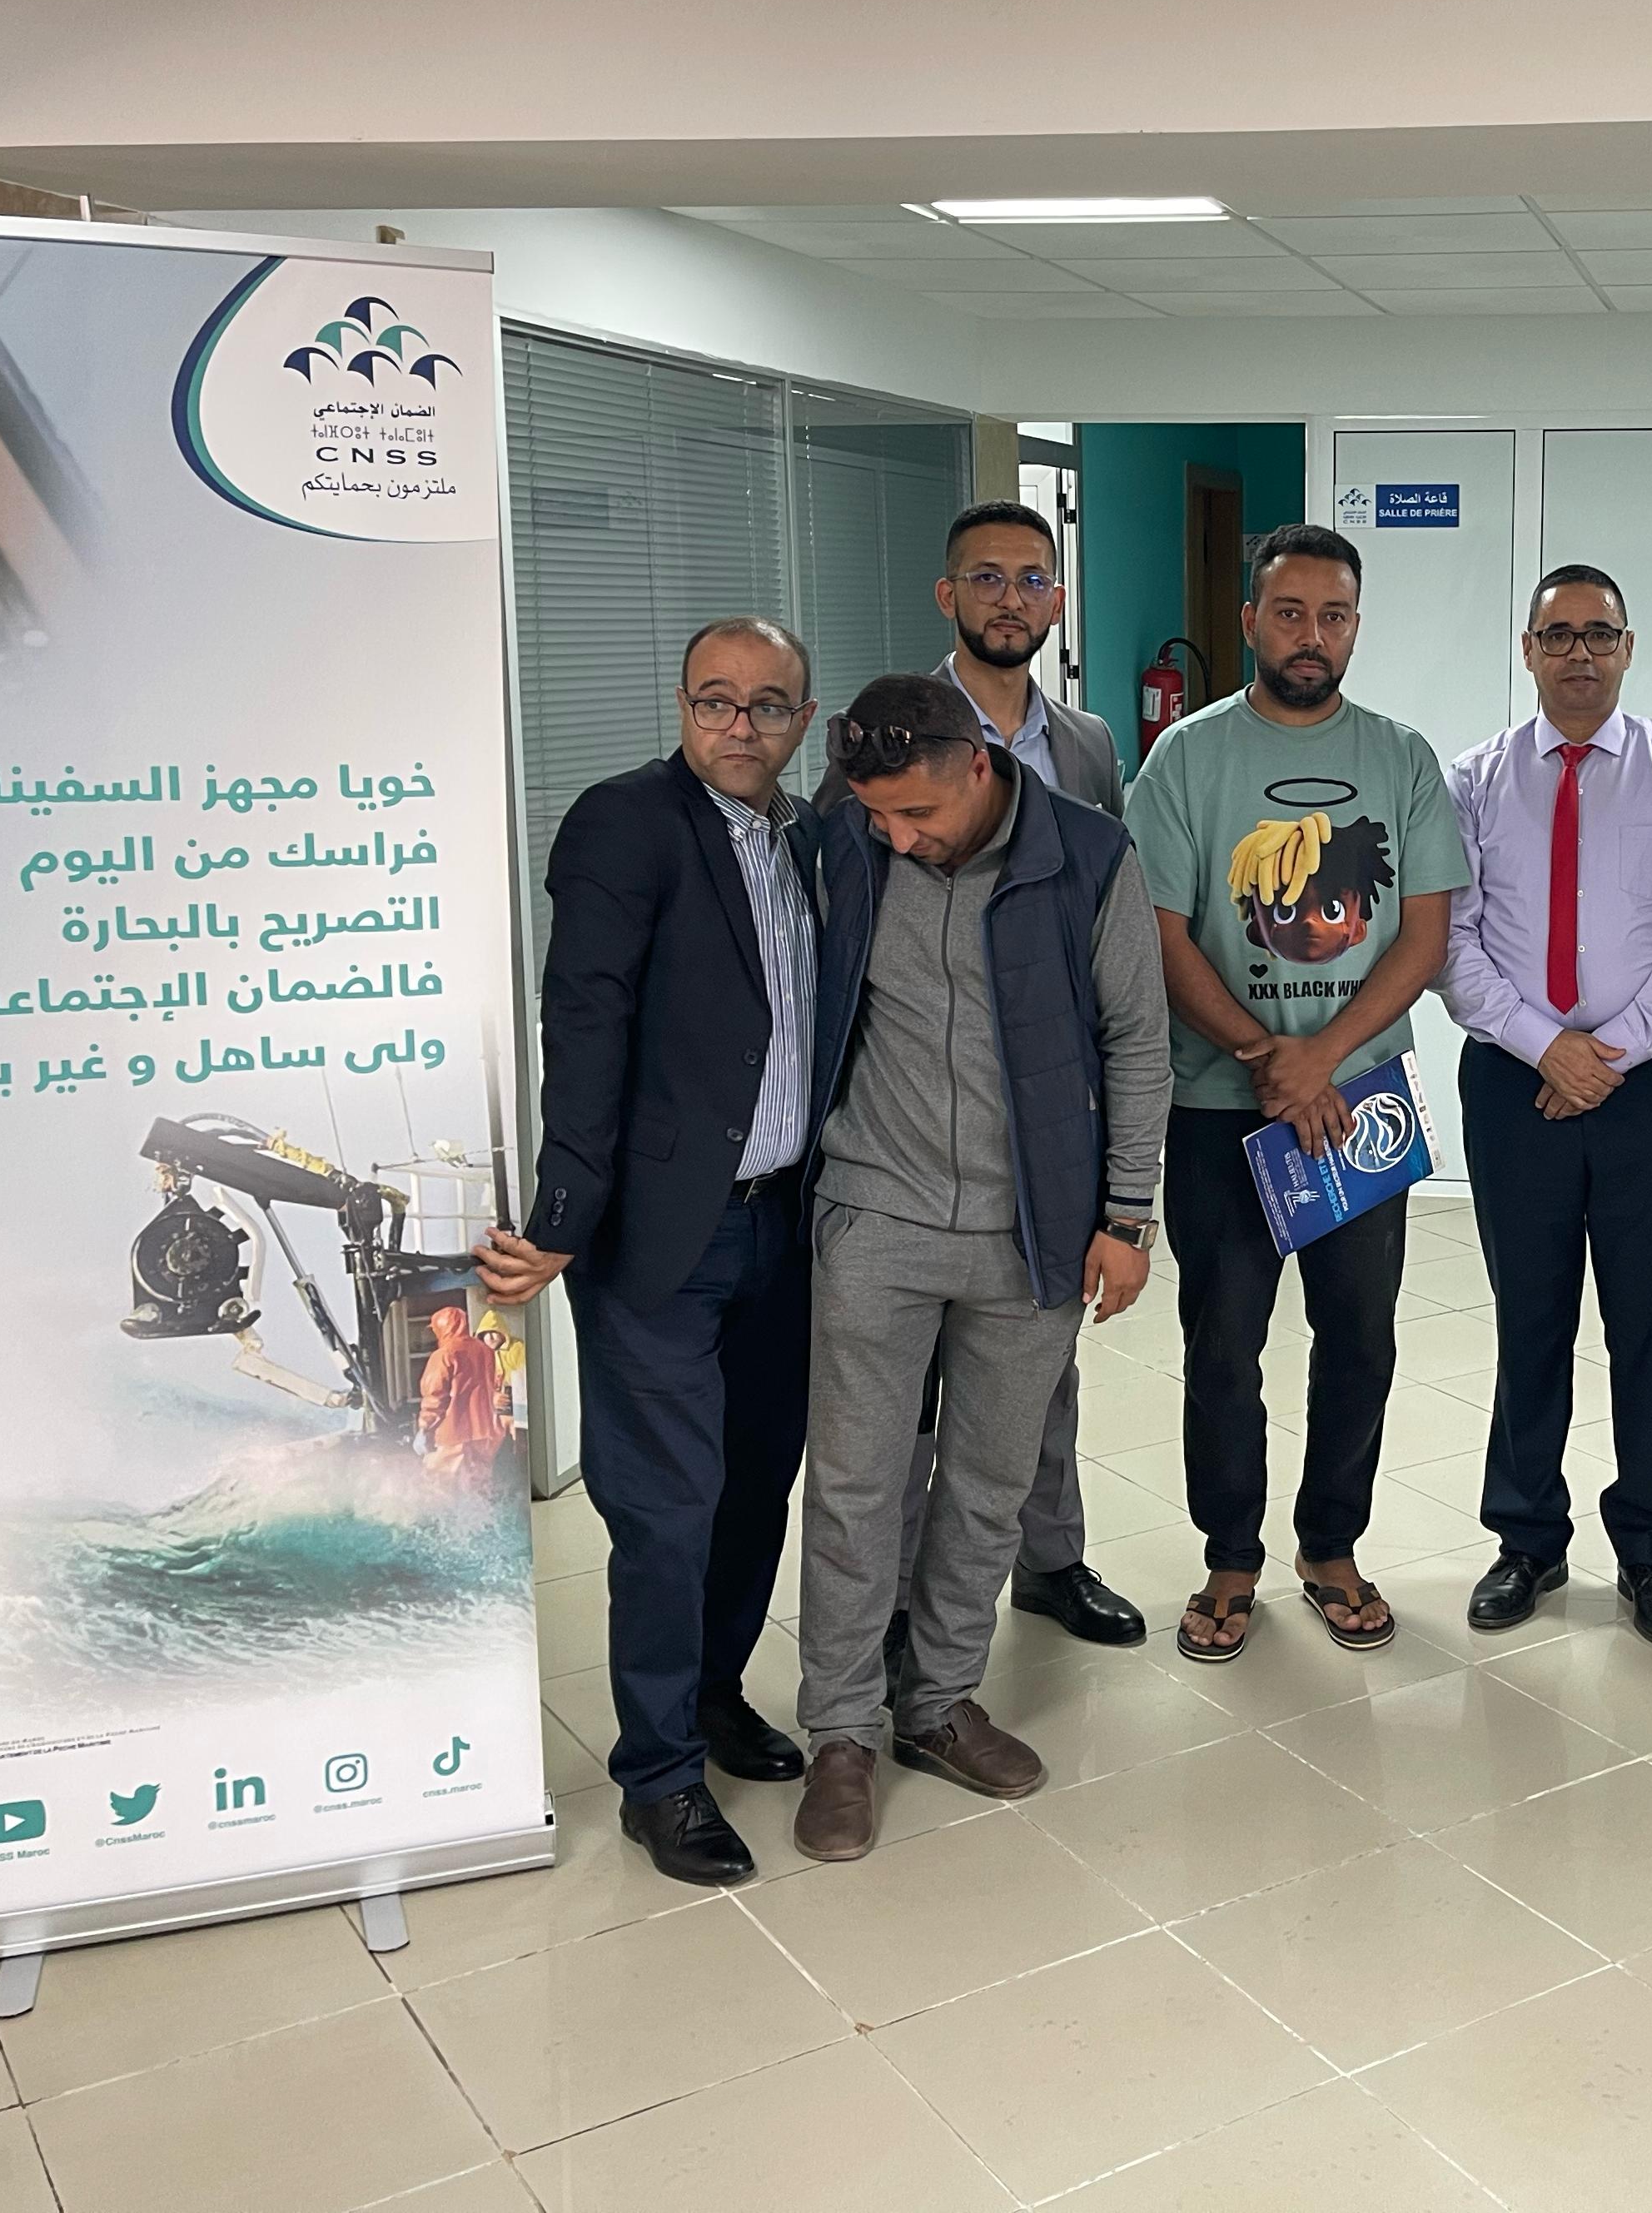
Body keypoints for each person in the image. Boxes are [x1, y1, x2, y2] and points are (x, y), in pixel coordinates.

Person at [787, 675, 1168, 1862]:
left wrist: (1127, 1217)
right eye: (878, 816)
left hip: (1031, 1230)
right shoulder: (845, 841)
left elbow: (1137, 1040)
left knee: (990, 1484)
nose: (897, 838)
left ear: (980, 765)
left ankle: (939, 1701)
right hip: (875, 1216)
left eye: (917, 814)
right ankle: (840, 1732)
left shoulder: (1088, 857)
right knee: (854, 1488)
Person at [480, 617, 822, 1887]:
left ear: (803, 720)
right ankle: (660, 1775)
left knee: (756, 1482)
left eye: (767, 705)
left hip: (788, 1222)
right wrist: (560, 1219)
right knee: (668, 1507)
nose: (739, 725)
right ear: (681, 706)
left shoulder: (810, 837)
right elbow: (586, 1020)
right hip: (661, 1234)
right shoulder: (623, 824)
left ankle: (716, 1695)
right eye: (714, 701)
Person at [1124, 523, 1468, 1660]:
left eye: (1333, 616)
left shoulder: (1402, 758)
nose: (1311, 636)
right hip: (1220, 1107)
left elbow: (1423, 937)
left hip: (1360, 1107)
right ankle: (1230, 1556)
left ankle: (1331, 1546)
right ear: (1250, 622)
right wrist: (1266, 1054)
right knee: (1223, 1343)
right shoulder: (1185, 759)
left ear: (1356, 628)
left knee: (1359, 1337)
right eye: (1289, 613)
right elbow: (1160, 934)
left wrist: (1322, 1058)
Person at [814, 500, 1150, 1656]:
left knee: (1032, 1395)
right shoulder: (885, 743)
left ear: (1056, 598)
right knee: (893, 1424)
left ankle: (1049, 1564)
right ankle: (897, 1613)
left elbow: (1108, 965)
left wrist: (1119, 1195)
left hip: (1035, 1152)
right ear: (947, 595)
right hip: (902, 1164)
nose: (1012, 598)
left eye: (1033, 578)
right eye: (988, 578)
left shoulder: (1087, 745)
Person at [1439, 564, 1652, 1647]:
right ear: (1527, 650)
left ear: (1628, 647)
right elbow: (1451, 940)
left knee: (1649, 1325)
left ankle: (1650, 1550)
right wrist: (1545, 1048)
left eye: (1598, 635)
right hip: (1514, 1085)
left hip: (1646, 1086)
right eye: (1557, 635)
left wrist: (1606, 1055)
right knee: (1531, 1317)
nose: (1578, 654)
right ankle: (1527, 1538)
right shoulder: (1474, 780)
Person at [414, 1302, 512, 1491]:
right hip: (486, 1433)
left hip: (453, 1433)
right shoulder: (486, 1351)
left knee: (439, 1487)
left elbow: (435, 1397)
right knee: (479, 1490)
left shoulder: (443, 1355)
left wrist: (425, 1428)